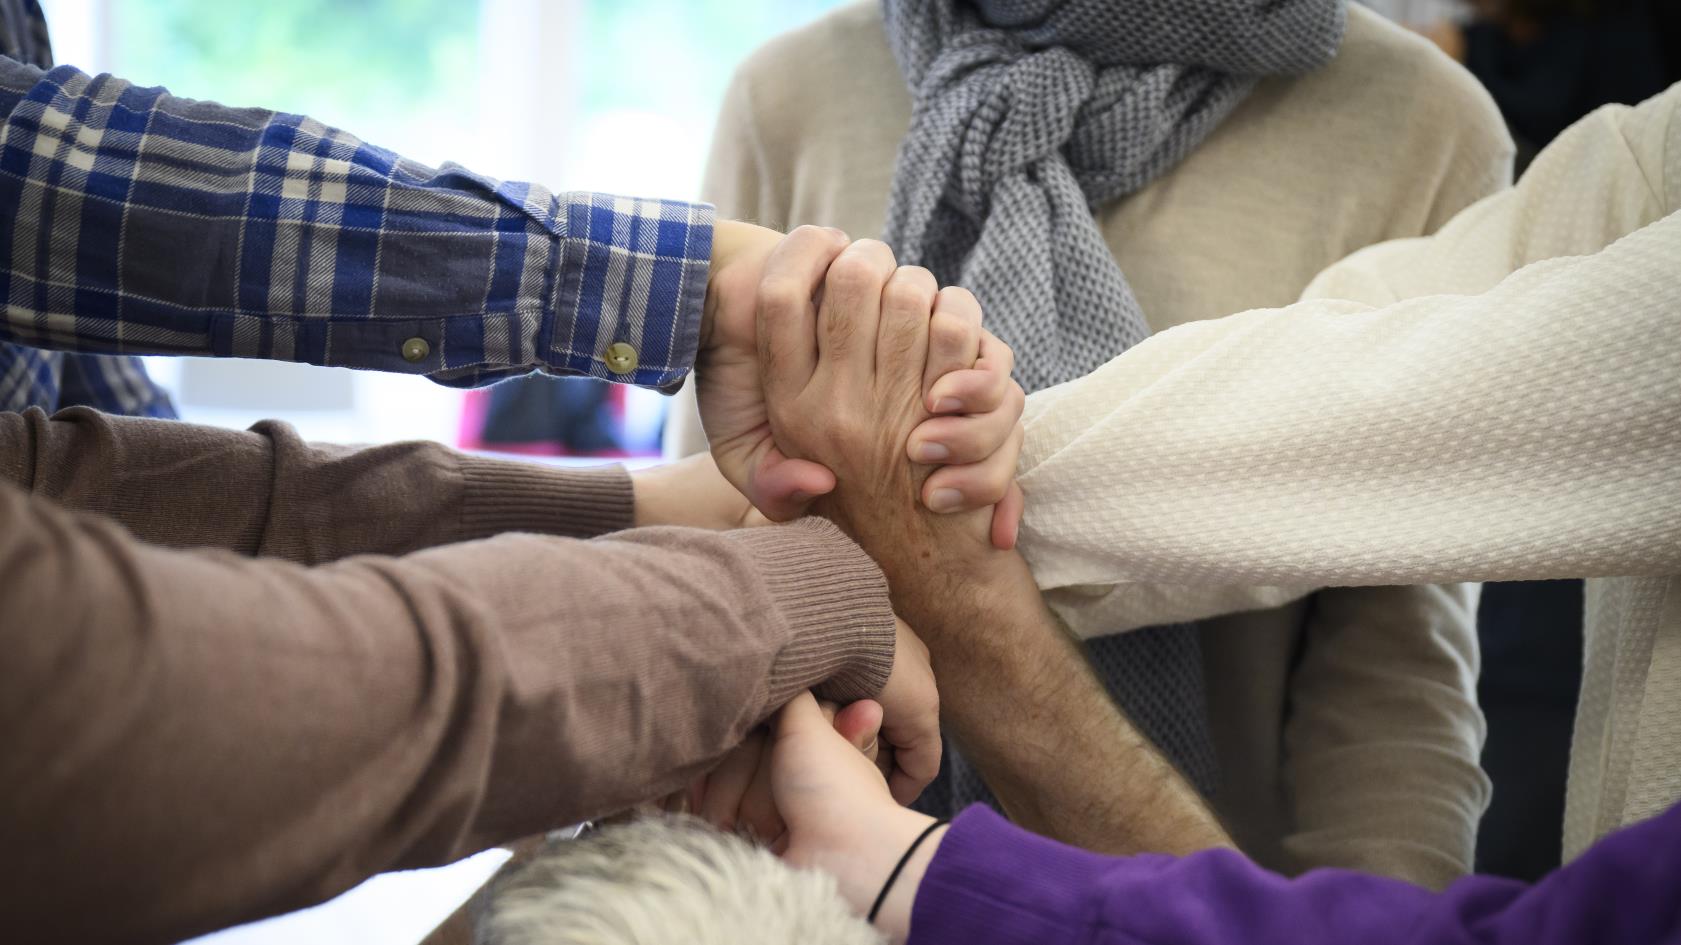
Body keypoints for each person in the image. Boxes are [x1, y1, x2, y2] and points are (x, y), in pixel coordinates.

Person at [665, 0, 1513, 886]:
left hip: (1216, 885)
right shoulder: (791, 93)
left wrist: (1381, 913)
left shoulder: (1417, 122)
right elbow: (712, 547)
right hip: (802, 879)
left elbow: (1392, 646)